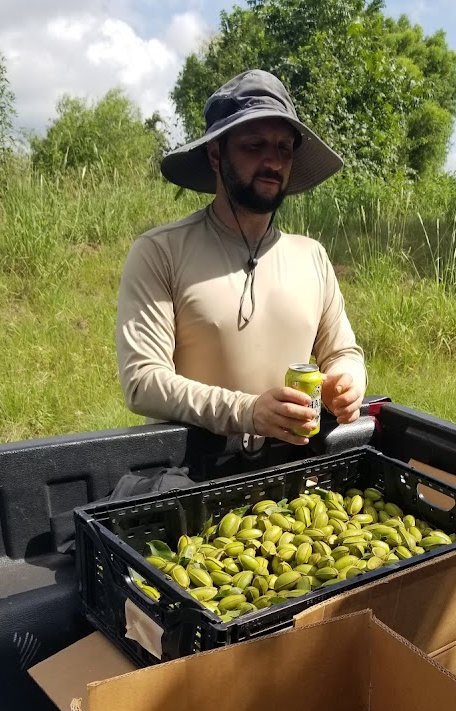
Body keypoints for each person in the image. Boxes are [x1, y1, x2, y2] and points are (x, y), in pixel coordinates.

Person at [116, 69, 367, 447]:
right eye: (255, 145)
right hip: (192, 477)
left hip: (293, 476)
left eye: (284, 148)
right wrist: (246, 411)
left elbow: (343, 351)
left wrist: (347, 382)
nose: (273, 161)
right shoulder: (161, 252)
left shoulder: (311, 256)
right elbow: (143, 380)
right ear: (216, 154)